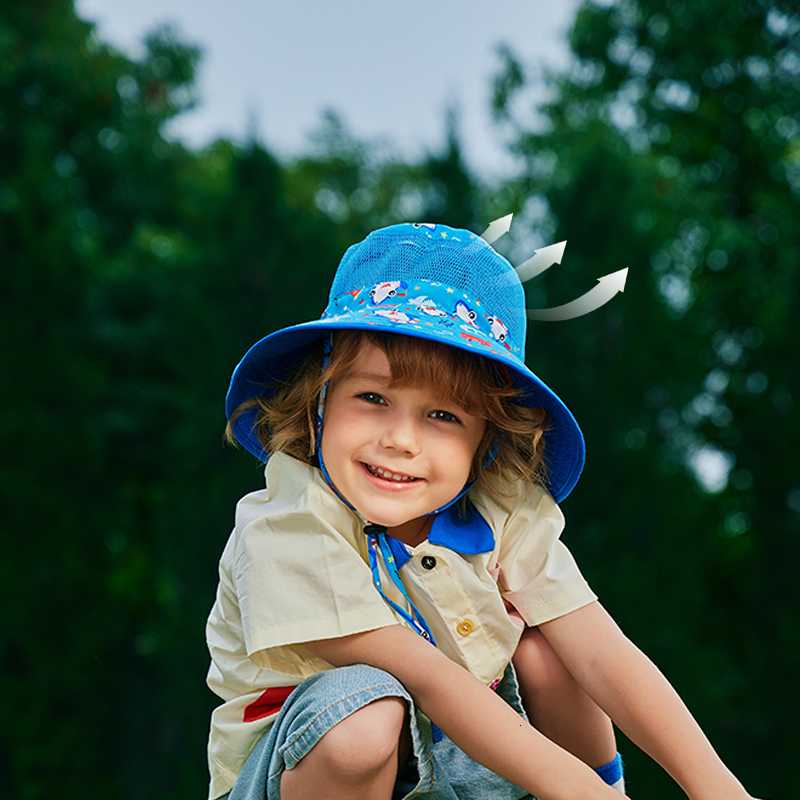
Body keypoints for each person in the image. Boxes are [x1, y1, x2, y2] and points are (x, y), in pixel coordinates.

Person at [206, 222, 757, 800]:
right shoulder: (285, 524)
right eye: (372, 398)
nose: (401, 440)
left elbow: (601, 651)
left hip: (470, 761)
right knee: (360, 712)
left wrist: (718, 789)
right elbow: (427, 678)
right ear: (319, 400)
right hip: (315, 772)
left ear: (486, 440)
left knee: (548, 649)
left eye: (443, 416)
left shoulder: (502, 505)